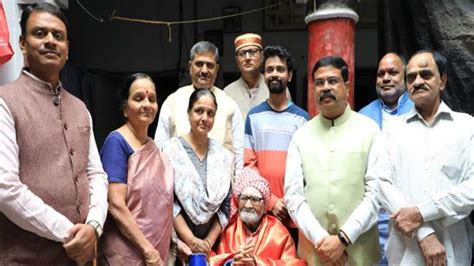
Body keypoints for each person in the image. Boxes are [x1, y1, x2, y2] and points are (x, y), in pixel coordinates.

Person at [0, 3, 108, 264]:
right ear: (23, 44)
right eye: (40, 33)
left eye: (57, 36)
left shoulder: (80, 107)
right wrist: (71, 235)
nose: (50, 41)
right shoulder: (5, 101)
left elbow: (95, 174)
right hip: (28, 258)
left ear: (67, 50)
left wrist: (94, 226)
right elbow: (5, 187)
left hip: (79, 258)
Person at [378, 50, 474, 265]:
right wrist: (425, 233)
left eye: (426, 75)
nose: (417, 81)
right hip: (405, 254)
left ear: (443, 81)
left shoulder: (467, 126)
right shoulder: (392, 130)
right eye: (411, 77)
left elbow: (471, 189)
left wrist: (421, 213)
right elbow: (382, 184)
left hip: (454, 252)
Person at [285, 56, 381, 265]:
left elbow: (376, 194)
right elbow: (293, 197)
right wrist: (322, 241)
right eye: (319, 83)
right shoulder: (300, 135)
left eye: (332, 81)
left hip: (360, 253)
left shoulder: (370, 130)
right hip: (314, 253)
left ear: (347, 87)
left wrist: (344, 238)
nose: (325, 87)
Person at [99, 73, 174, 265]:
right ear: (125, 108)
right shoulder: (117, 142)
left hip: (156, 252)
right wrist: (147, 250)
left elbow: (161, 207)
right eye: (138, 98)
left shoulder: (153, 147)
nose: (147, 104)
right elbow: (115, 205)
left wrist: (174, 243)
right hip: (126, 252)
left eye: (152, 99)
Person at [244, 45, 309, 243]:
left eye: (280, 70)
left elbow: (307, 170)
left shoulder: (303, 119)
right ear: (264, 75)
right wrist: (271, 201)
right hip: (262, 211)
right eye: (270, 69)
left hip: (295, 214)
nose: (274, 74)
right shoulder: (253, 116)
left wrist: (290, 202)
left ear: (289, 76)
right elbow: (249, 166)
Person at [162, 88, 233, 264]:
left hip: (211, 247)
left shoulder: (223, 156)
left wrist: (207, 242)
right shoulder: (170, 151)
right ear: (188, 113)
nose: (204, 118)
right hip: (177, 245)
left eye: (210, 113)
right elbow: (167, 201)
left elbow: (226, 206)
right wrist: (191, 241)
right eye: (199, 111)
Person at [358, 52, 413, 265]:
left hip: (410, 214)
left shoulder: (418, 110)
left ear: (406, 77)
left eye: (392, 72)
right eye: (381, 74)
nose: (385, 78)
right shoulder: (363, 116)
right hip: (374, 217)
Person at [155, 41, 244, 173]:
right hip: (180, 186)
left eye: (210, 65)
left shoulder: (229, 104)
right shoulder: (172, 101)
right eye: (199, 64)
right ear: (190, 66)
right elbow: (159, 148)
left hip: (223, 187)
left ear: (217, 69)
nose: (204, 70)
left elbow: (239, 151)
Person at [210, 167, 305, 266]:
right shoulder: (229, 231)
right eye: (244, 198)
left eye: (254, 199)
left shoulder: (279, 233)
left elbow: (296, 264)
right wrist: (232, 260)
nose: (248, 205)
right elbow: (212, 259)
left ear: (265, 207)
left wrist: (257, 262)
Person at [224, 33, 291, 119]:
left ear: (262, 56)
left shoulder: (277, 87)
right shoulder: (228, 92)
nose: (247, 58)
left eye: (252, 52)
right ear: (237, 60)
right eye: (242, 54)